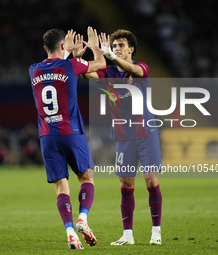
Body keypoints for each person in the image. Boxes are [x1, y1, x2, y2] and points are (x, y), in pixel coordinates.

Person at [80, 29, 162, 245]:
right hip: (124, 134)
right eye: (114, 46)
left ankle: (156, 232)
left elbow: (133, 69)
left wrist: (110, 55)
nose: (117, 49)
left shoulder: (140, 67)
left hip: (146, 132)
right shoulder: (108, 73)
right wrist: (81, 56)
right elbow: (86, 74)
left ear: (131, 49)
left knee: (152, 181)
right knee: (126, 185)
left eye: (121, 45)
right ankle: (128, 235)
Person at [29, 27, 106, 250]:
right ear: (64, 46)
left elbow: (53, 67)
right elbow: (100, 65)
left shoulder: (33, 70)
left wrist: (66, 52)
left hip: (47, 136)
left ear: (45, 48)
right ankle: (82, 218)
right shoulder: (71, 65)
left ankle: (70, 232)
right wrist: (93, 48)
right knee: (86, 178)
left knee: (62, 188)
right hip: (71, 132)